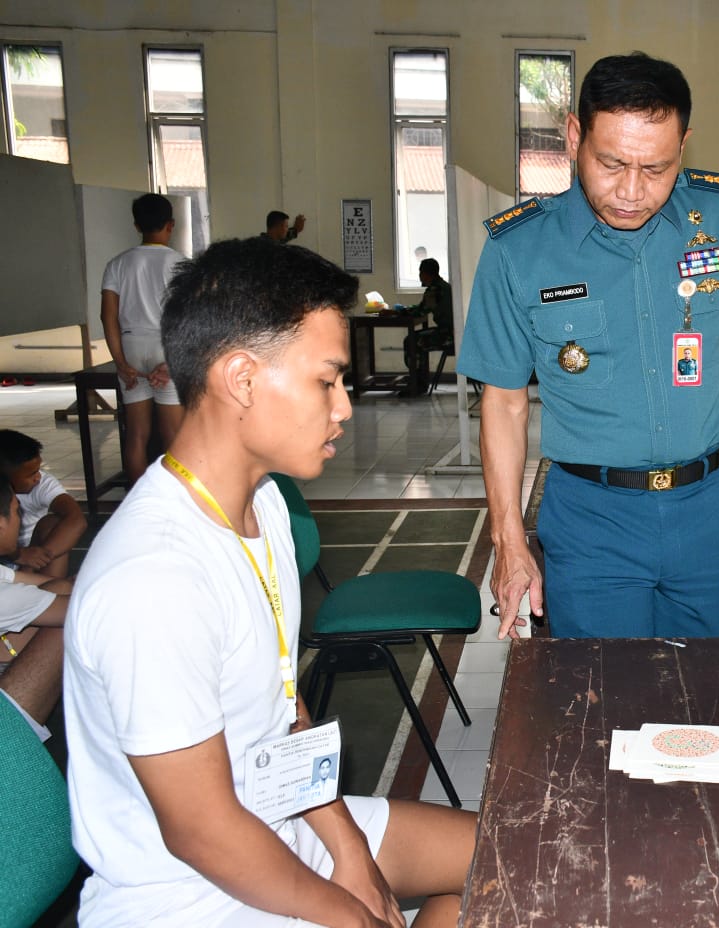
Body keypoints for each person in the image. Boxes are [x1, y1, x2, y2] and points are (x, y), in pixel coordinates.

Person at [64, 237, 475, 927]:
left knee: (522, 863)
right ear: (242, 378)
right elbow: (202, 833)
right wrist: (354, 915)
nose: (343, 407)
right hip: (191, 894)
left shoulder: (266, 506)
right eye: (326, 380)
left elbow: (284, 706)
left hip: (281, 818)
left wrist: (350, 853)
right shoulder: (155, 578)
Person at [460, 51, 719, 639]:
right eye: (611, 163)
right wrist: (508, 541)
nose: (632, 191)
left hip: (709, 509)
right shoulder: (519, 249)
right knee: (602, 705)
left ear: (684, 145)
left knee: (710, 699)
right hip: (591, 519)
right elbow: (503, 402)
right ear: (574, 134)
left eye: (656, 168)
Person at [100, 192, 185, 482]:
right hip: (166, 346)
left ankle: (136, 506)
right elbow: (187, 318)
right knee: (172, 433)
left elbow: (107, 316)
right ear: (170, 225)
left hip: (131, 345)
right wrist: (175, 361)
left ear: (137, 226)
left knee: (136, 434)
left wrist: (120, 362)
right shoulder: (180, 264)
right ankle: (176, 502)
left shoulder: (117, 264)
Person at [0, 475, 68, 743]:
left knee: (61, 590)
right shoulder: (5, 598)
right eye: (17, 511)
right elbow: (86, 608)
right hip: (5, 739)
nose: (20, 518)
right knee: (72, 624)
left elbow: (50, 585)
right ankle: (19, 748)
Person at [0, 429, 87, 580]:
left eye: (38, 470)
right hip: (11, 557)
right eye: (30, 474)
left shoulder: (42, 484)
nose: (38, 477)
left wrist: (33, 561)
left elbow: (76, 520)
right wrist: (18, 555)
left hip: (28, 561)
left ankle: (48, 590)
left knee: (53, 523)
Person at [400, 258, 454, 397]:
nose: (419, 276)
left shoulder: (435, 289)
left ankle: (416, 383)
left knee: (411, 341)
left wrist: (402, 312)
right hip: (455, 333)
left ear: (426, 273)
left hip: (448, 336)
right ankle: (420, 381)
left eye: (420, 272)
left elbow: (421, 311)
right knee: (417, 339)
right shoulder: (444, 286)